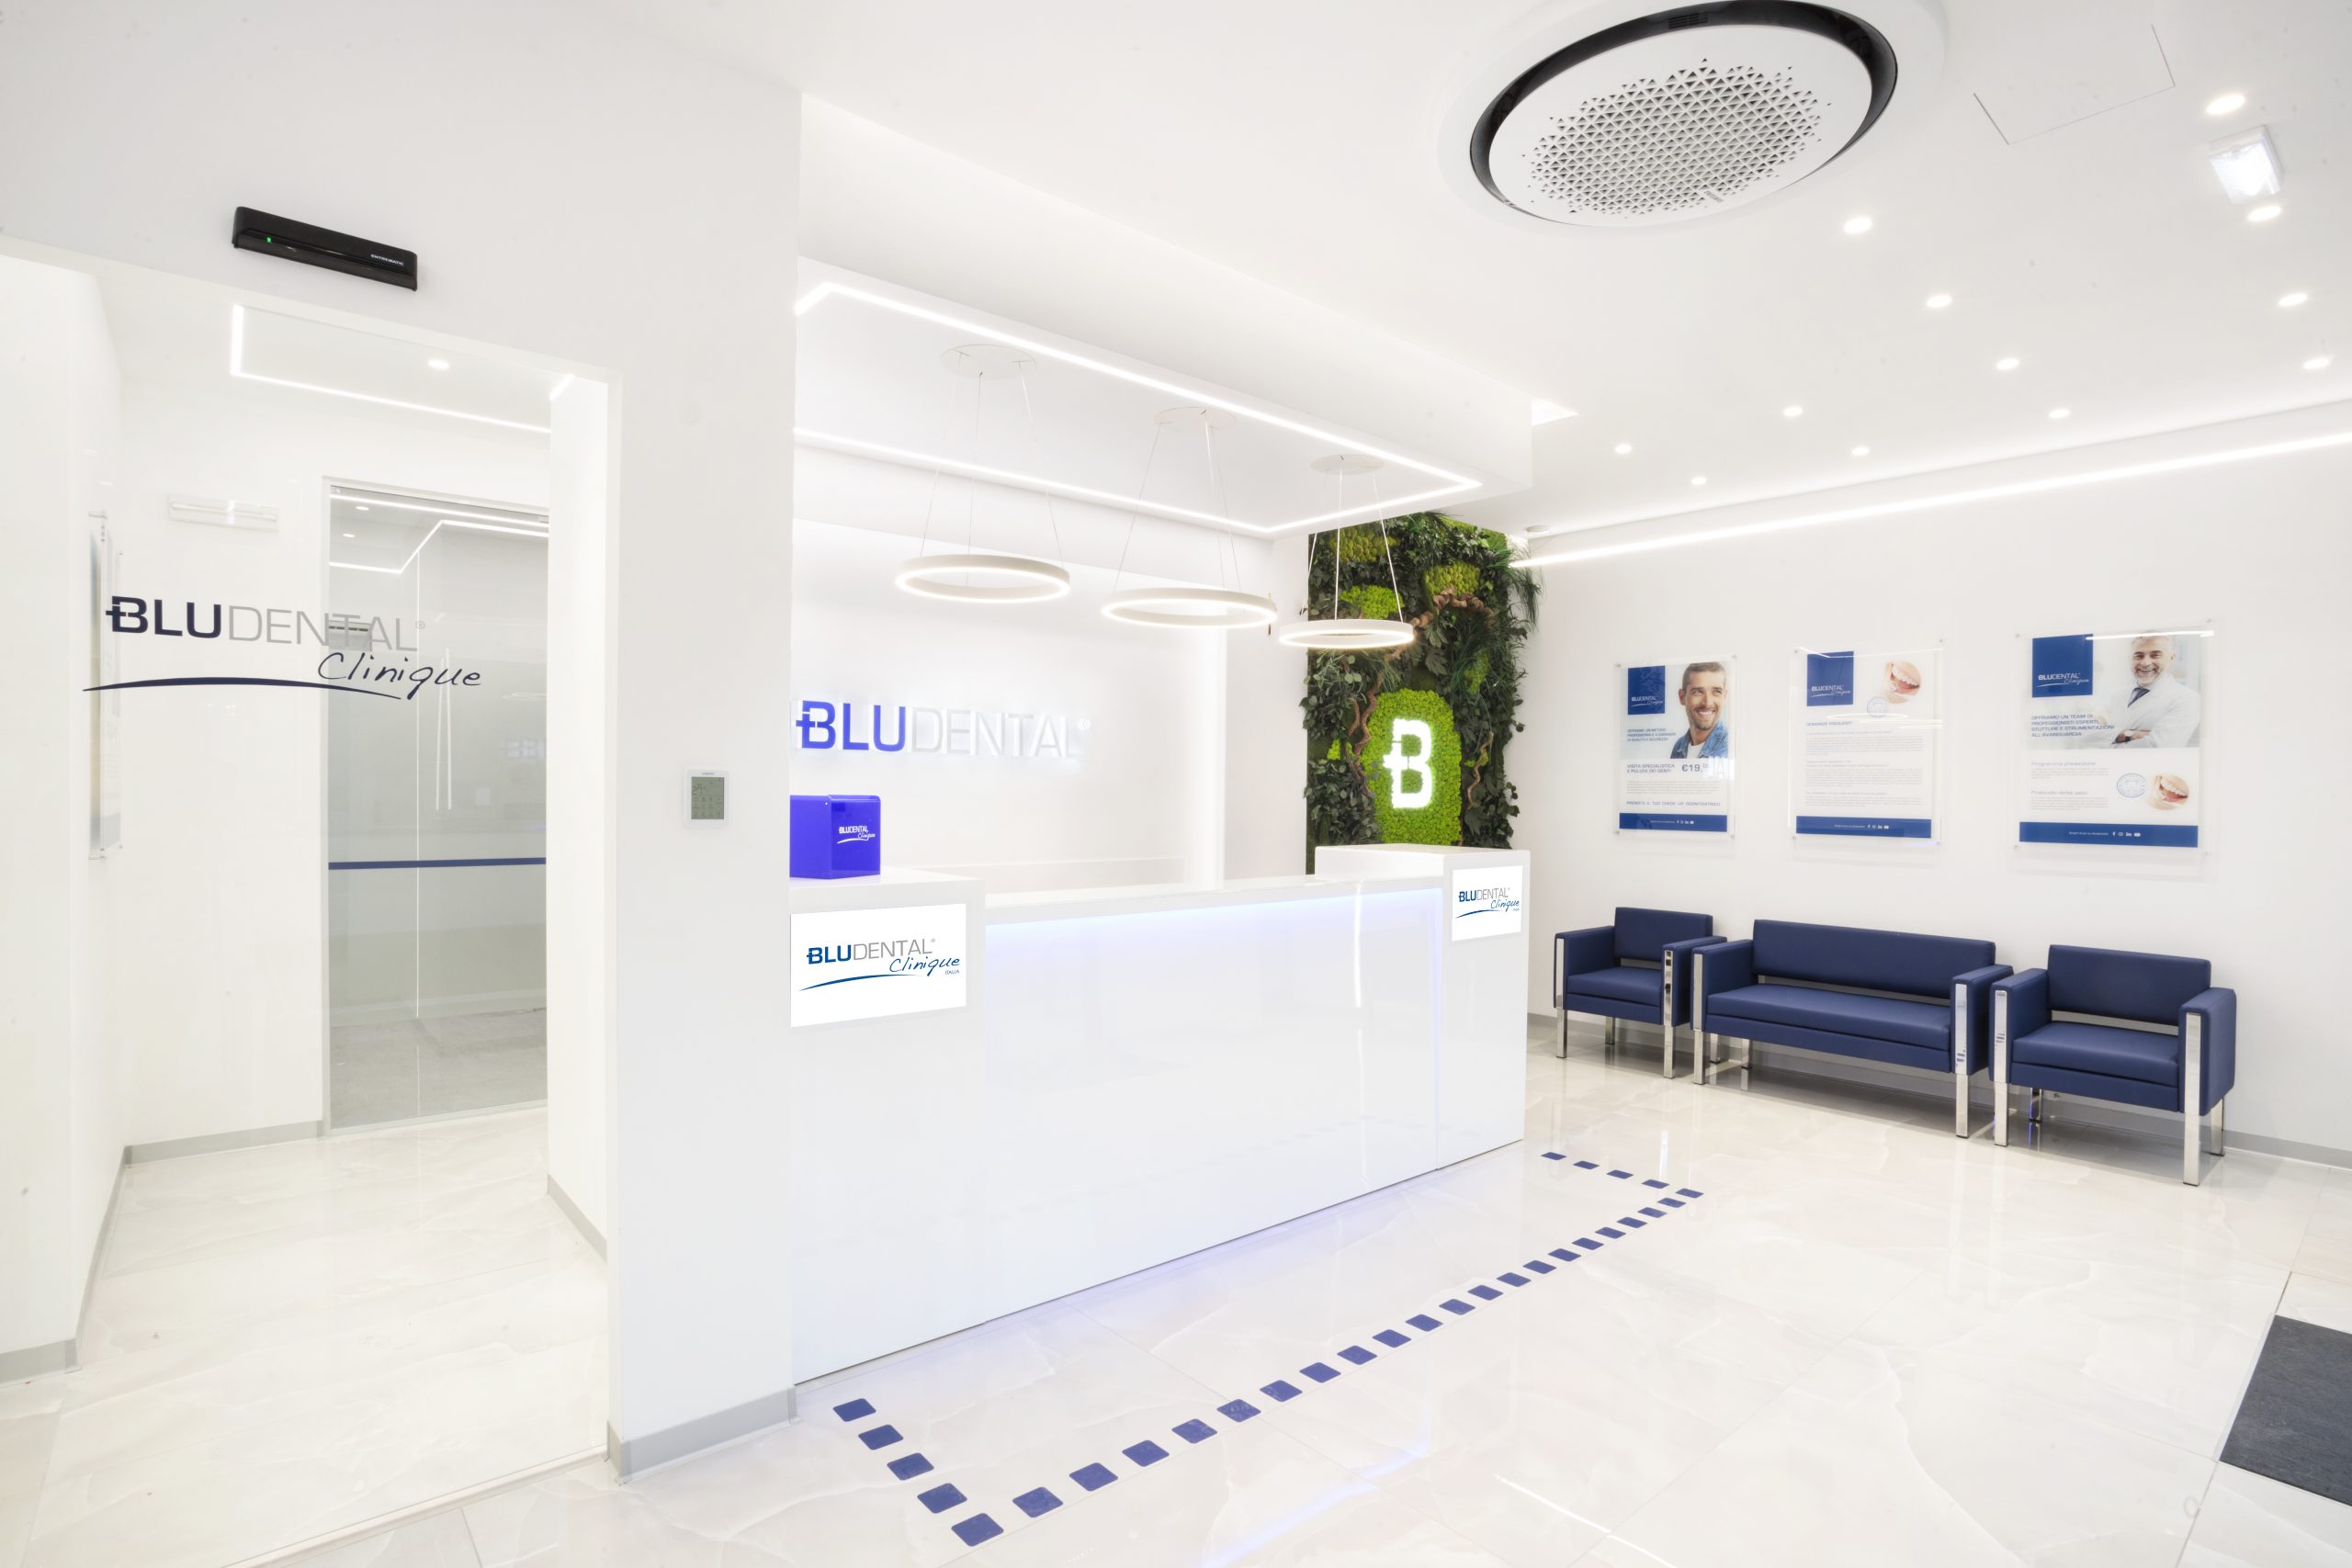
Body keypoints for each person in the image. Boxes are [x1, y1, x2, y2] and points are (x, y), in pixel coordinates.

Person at [2103, 635, 2200, 748]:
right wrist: (2131, 735)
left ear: (2172, 658)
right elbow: (2088, 734)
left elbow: (2160, 746)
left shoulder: (2188, 699)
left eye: (2155, 655)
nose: (2145, 663)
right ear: (2130, 659)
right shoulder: (2116, 695)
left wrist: (2106, 742)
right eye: (2138, 656)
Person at [1669, 661, 1731, 759]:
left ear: (1724, 696)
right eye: (1697, 692)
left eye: (1716, 692)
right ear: (1682, 697)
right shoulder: (1678, 747)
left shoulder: (1731, 747)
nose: (1707, 703)